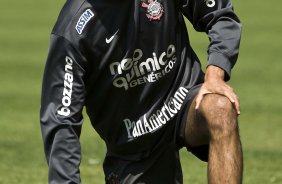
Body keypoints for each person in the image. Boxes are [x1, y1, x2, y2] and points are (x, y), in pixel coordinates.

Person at [40, 0, 243, 183]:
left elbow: (220, 14)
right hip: (134, 145)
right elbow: (62, 119)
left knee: (220, 108)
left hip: (183, 103)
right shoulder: (72, 30)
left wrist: (215, 74)